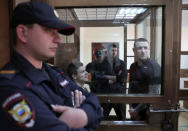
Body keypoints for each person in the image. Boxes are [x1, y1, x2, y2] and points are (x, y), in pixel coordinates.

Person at [0, 1, 103, 131]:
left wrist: (82, 115)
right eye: (48, 30)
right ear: (22, 33)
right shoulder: (10, 87)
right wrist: (88, 117)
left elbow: (95, 102)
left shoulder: (53, 72)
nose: (58, 39)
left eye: (57, 31)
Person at [86, 48, 127, 120]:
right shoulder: (93, 65)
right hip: (104, 95)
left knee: (122, 119)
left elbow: (122, 79)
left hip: (118, 94)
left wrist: (106, 76)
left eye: (115, 50)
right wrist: (108, 79)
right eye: (112, 50)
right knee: (102, 119)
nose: (113, 52)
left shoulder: (121, 63)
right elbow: (95, 78)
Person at [128, 38, 161, 120]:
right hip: (134, 109)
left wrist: (137, 110)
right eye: (139, 48)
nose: (143, 51)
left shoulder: (155, 67)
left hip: (148, 109)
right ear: (134, 50)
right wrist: (131, 107)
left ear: (149, 49)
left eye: (145, 48)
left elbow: (153, 93)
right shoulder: (133, 66)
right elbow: (131, 87)